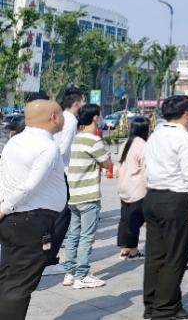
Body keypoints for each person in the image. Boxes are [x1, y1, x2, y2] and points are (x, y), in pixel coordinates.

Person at [0, 99, 66, 320]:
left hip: (14, 221)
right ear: (53, 117)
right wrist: (4, 208)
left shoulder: (15, 141)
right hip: (30, 220)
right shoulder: (47, 147)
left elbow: (4, 178)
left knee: (9, 278)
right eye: (61, 114)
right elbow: (30, 185)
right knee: (19, 285)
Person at [143, 95, 188, 320]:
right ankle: (165, 308)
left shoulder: (155, 135)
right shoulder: (186, 139)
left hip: (153, 196)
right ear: (187, 113)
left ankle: (152, 304)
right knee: (175, 255)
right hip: (176, 199)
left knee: (155, 255)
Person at [62, 104, 112, 289]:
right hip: (88, 195)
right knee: (86, 237)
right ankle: (82, 276)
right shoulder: (93, 140)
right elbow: (107, 164)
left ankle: (69, 273)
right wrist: (106, 158)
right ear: (95, 118)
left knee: (73, 235)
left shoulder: (77, 138)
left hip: (74, 194)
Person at [45, 87, 84, 274]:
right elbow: (62, 149)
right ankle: (50, 259)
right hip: (64, 172)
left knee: (57, 216)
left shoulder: (61, 117)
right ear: (76, 102)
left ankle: (48, 256)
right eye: (82, 100)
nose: (83, 104)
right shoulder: (71, 120)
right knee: (63, 217)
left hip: (57, 172)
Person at [117, 116, 150, 260]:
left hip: (124, 186)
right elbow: (146, 169)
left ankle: (124, 249)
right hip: (137, 187)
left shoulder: (126, 143)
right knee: (135, 220)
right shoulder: (143, 145)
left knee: (125, 218)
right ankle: (133, 250)